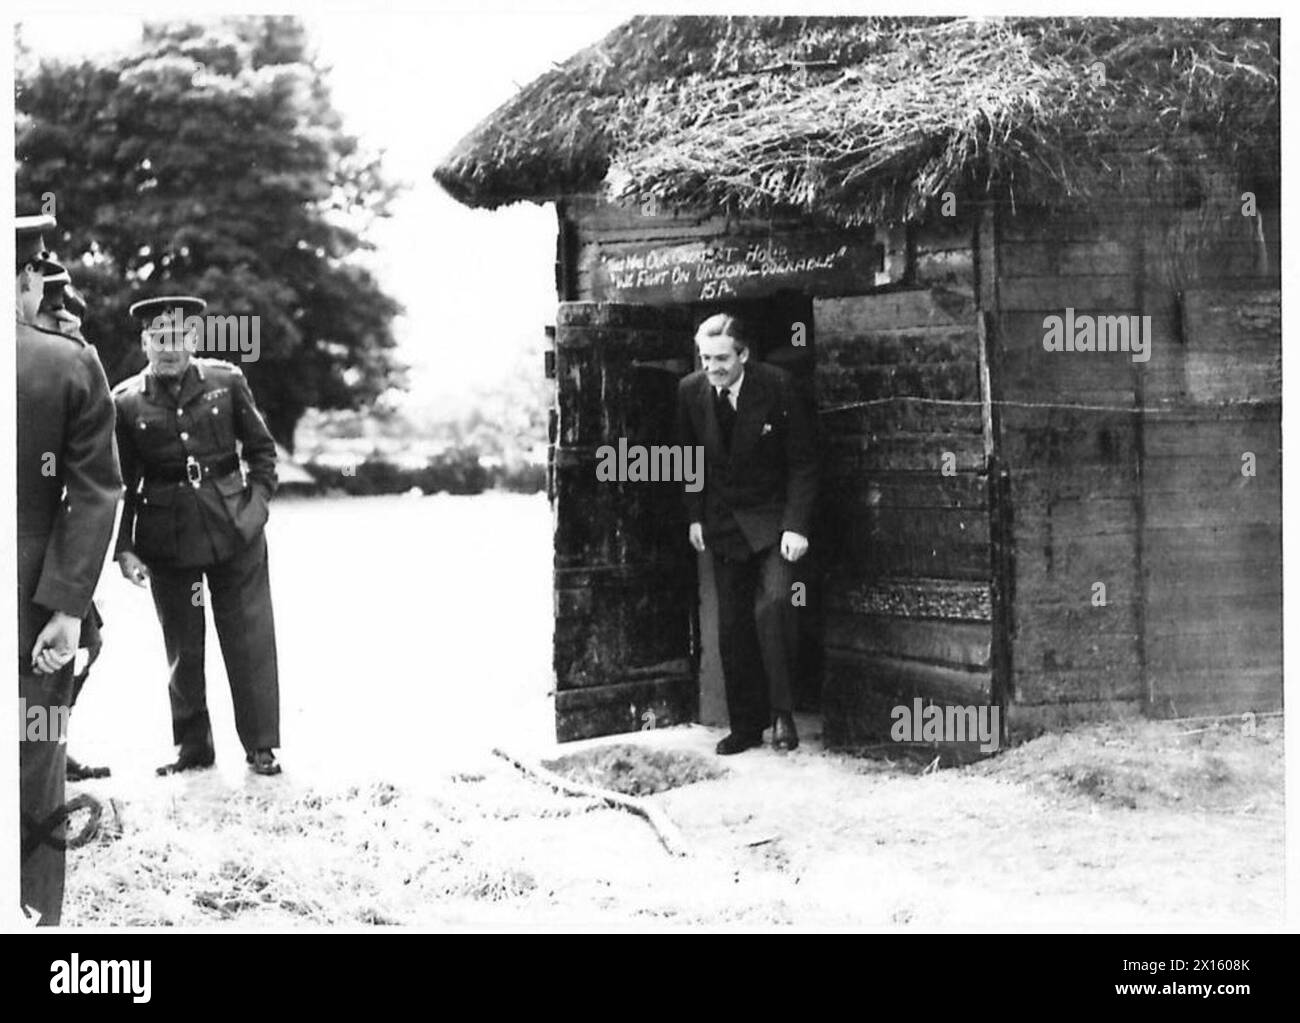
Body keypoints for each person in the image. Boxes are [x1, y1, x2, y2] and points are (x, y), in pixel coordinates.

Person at [112, 296, 284, 777]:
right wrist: (124, 547)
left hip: (234, 528)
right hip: (168, 538)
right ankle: (193, 747)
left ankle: (261, 746)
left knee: (248, 636)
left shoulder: (226, 382)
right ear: (145, 343)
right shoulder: (125, 402)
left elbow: (262, 452)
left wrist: (255, 509)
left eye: (178, 339)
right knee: (183, 644)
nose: (169, 350)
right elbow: (122, 482)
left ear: (193, 339)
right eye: (158, 340)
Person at [16, 214, 123, 924]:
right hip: (33, 611)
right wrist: (64, 607)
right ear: (26, 278)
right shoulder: (68, 362)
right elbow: (94, 490)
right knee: (34, 765)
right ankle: (30, 915)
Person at [676, 313, 818, 755]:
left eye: (721, 358)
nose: (713, 367)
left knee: (775, 607)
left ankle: (783, 712)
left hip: (774, 525)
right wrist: (695, 516)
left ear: (744, 354)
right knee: (732, 626)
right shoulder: (691, 391)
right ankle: (745, 725)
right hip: (723, 525)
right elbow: (688, 460)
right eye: (706, 358)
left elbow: (804, 461)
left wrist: (797, 525)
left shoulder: (776, 385)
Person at [34, 265, 112, 781]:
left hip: (65, 543)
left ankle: (54, 744)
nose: (68, 323)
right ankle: (43, 752)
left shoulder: (73, 364)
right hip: (34, 541)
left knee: (88, 642)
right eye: (57, 313)